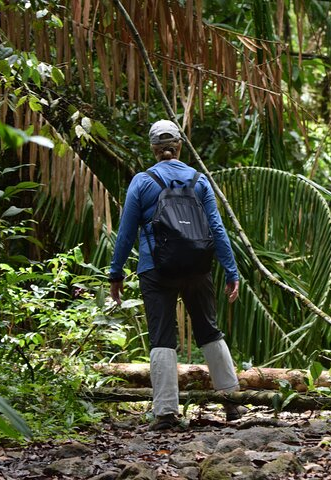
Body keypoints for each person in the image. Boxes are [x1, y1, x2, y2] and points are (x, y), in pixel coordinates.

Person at [108, 120, 245, 430]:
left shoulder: (142, 182)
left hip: (155, 270)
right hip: (198, 268)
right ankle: (232, 403)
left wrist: (116, 273)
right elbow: (217, 229)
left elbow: (126, 232)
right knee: (209, 330)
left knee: (161, 336)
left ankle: (167, 412)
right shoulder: (200, 181)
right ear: (180, 146)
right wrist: (231, 270)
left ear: (154, 149)